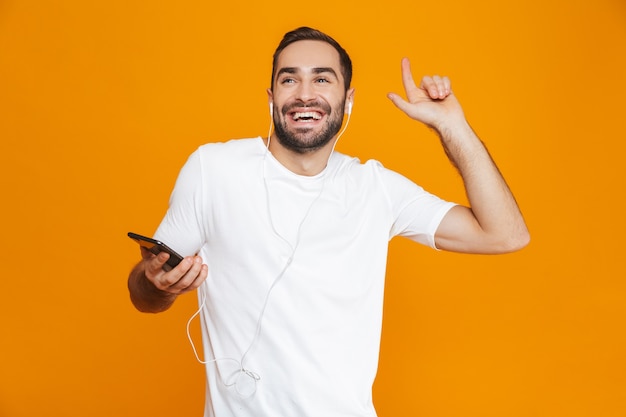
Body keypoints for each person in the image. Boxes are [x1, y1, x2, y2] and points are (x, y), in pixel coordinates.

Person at [128, 26, 529, 417]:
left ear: (347, 98)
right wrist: (157, 284)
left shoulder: (376, 189)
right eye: (289, 80)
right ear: (271, 96)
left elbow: (504, 234)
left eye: (322, 78)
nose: (305, 94)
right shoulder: (212, 170)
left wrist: (451, 126)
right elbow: (143, 294)